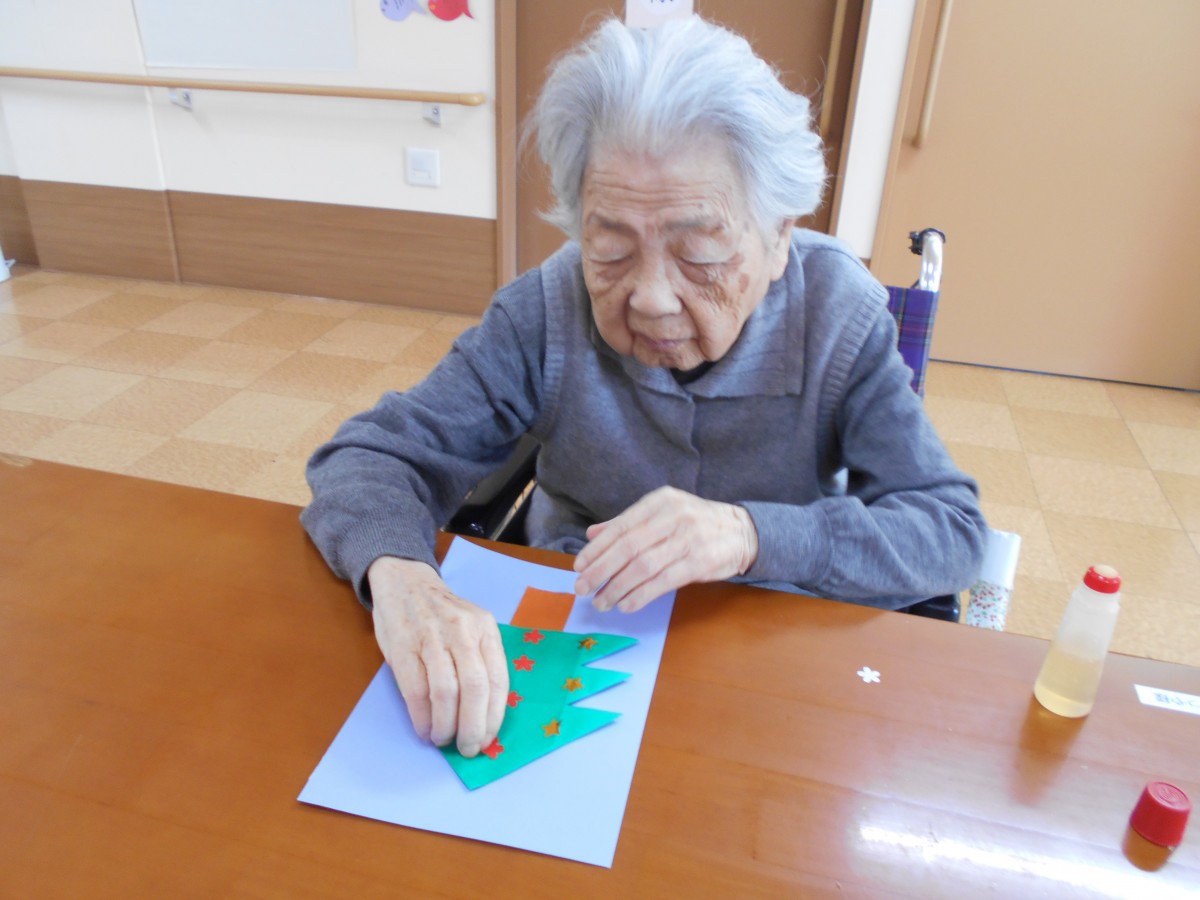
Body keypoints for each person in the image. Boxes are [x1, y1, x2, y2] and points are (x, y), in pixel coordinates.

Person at [302, 15, 988, 760]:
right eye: (610, 248)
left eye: (699, 253)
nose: (653, 299)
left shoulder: (838, 316)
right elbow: (368, 457)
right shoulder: (545, 309)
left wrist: (749, 535)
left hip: (769, 642)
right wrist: (405, 580)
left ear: (778, 236)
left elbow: (950, 529)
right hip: (576, 628)